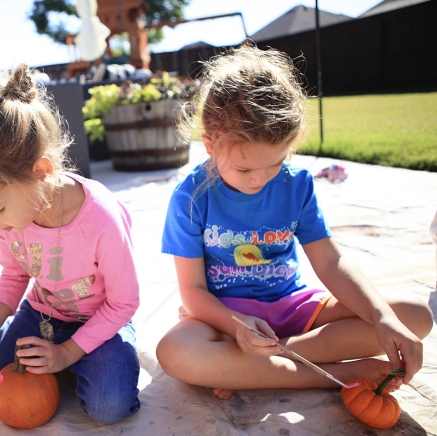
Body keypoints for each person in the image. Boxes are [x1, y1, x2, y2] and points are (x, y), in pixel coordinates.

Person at [156, 45, 433, 400]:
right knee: (175, 351)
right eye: (245, 169)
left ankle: (264, 363)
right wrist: (237, 327)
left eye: (275, 164)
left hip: (294, 308)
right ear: (210, 145)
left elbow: (330, 262)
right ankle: (327, 374)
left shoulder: (297, 184)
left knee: (414, 316)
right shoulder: (190, 197)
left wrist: (380, 317)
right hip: (226, 321)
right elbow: (193, 292)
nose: (261, 179)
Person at [0, 63, 141, 425]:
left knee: (108, 407)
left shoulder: (101, 219)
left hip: (101, 321)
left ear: (41, 172)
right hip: (42, 316)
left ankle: (70, 366)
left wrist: (66, 354)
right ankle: (52, 365)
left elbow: (124, 302)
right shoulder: (8, 216)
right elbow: (14, 274)